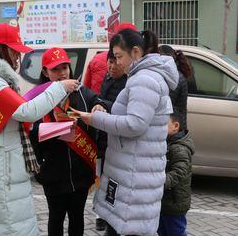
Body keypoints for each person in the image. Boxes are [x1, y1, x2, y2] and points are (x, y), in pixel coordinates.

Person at [0, 23, 79, 236]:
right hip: (3, 168)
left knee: (14, 224)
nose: (18, 57)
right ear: (1, 49)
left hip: (6, 163)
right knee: (11, 227)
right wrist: (59, 87)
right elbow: (27, 112)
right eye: (14, 51)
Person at [74, 29, 179, 236]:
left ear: (136, 52)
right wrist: (104, 108)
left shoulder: (144, 80)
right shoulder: (142, 76)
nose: (116, 62)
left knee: (128, 229)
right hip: (132, 170)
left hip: (135, 175)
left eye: (119, 56)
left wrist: (93, 119)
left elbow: (134, 124)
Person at [29, 47, 107, 236]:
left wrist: (100, 105)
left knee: (77, 219)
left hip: (80, 174)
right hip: (52, 173)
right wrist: (55, 131)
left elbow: (100, 102)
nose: (62, 73)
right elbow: (31, 130)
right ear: (45, 72)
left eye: (65, 67)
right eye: (55, 69)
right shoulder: (38, 98)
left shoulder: (82, 94)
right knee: (55, 218)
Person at [94, 49, 128, 231]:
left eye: (115, 62)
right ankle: (101, 215)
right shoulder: (107, 79)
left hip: (115, 140)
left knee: (113, 180)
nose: (111, 66)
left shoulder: (127, 83)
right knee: (101, 177)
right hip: (102, 138)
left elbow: (119, 109)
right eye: (109, 62)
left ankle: (109, 218)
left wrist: (102, 105)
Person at [158, 111, 195, 236]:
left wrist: (161, 181)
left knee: (176, 232)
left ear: (176, 126)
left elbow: (179, 172)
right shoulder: (168, 143)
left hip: (175, 203)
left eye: (164, 124)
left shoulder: (179, 148)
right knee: (162, 230)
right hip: (165, 201)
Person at [84, 22, 138, 94]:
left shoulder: (96, 59)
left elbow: (86, 88)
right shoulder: (137, 66)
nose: (114, 66)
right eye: (111, 61)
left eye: (119, 57)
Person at [158, 45, 196, 132]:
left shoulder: (173, 78)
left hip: (172, 127)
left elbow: (166, 104)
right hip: (178, 125)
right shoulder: (177, 75)